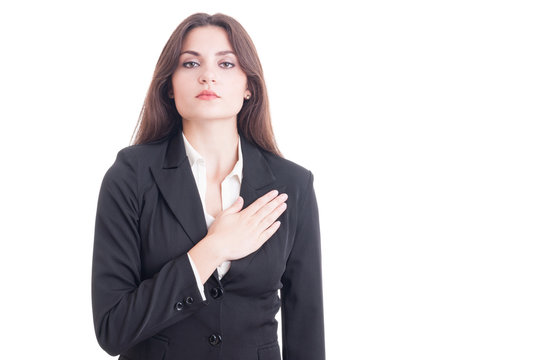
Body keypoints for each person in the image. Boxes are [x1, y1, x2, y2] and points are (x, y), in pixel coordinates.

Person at [91, 12, 325, 360]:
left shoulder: (294, 184)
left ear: (249, 86)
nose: (208, 76)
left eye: (227, 63)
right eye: (190, 63)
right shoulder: (130, 176)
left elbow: (305, 325)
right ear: (169, 85)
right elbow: (113, 329)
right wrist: (211, 250)